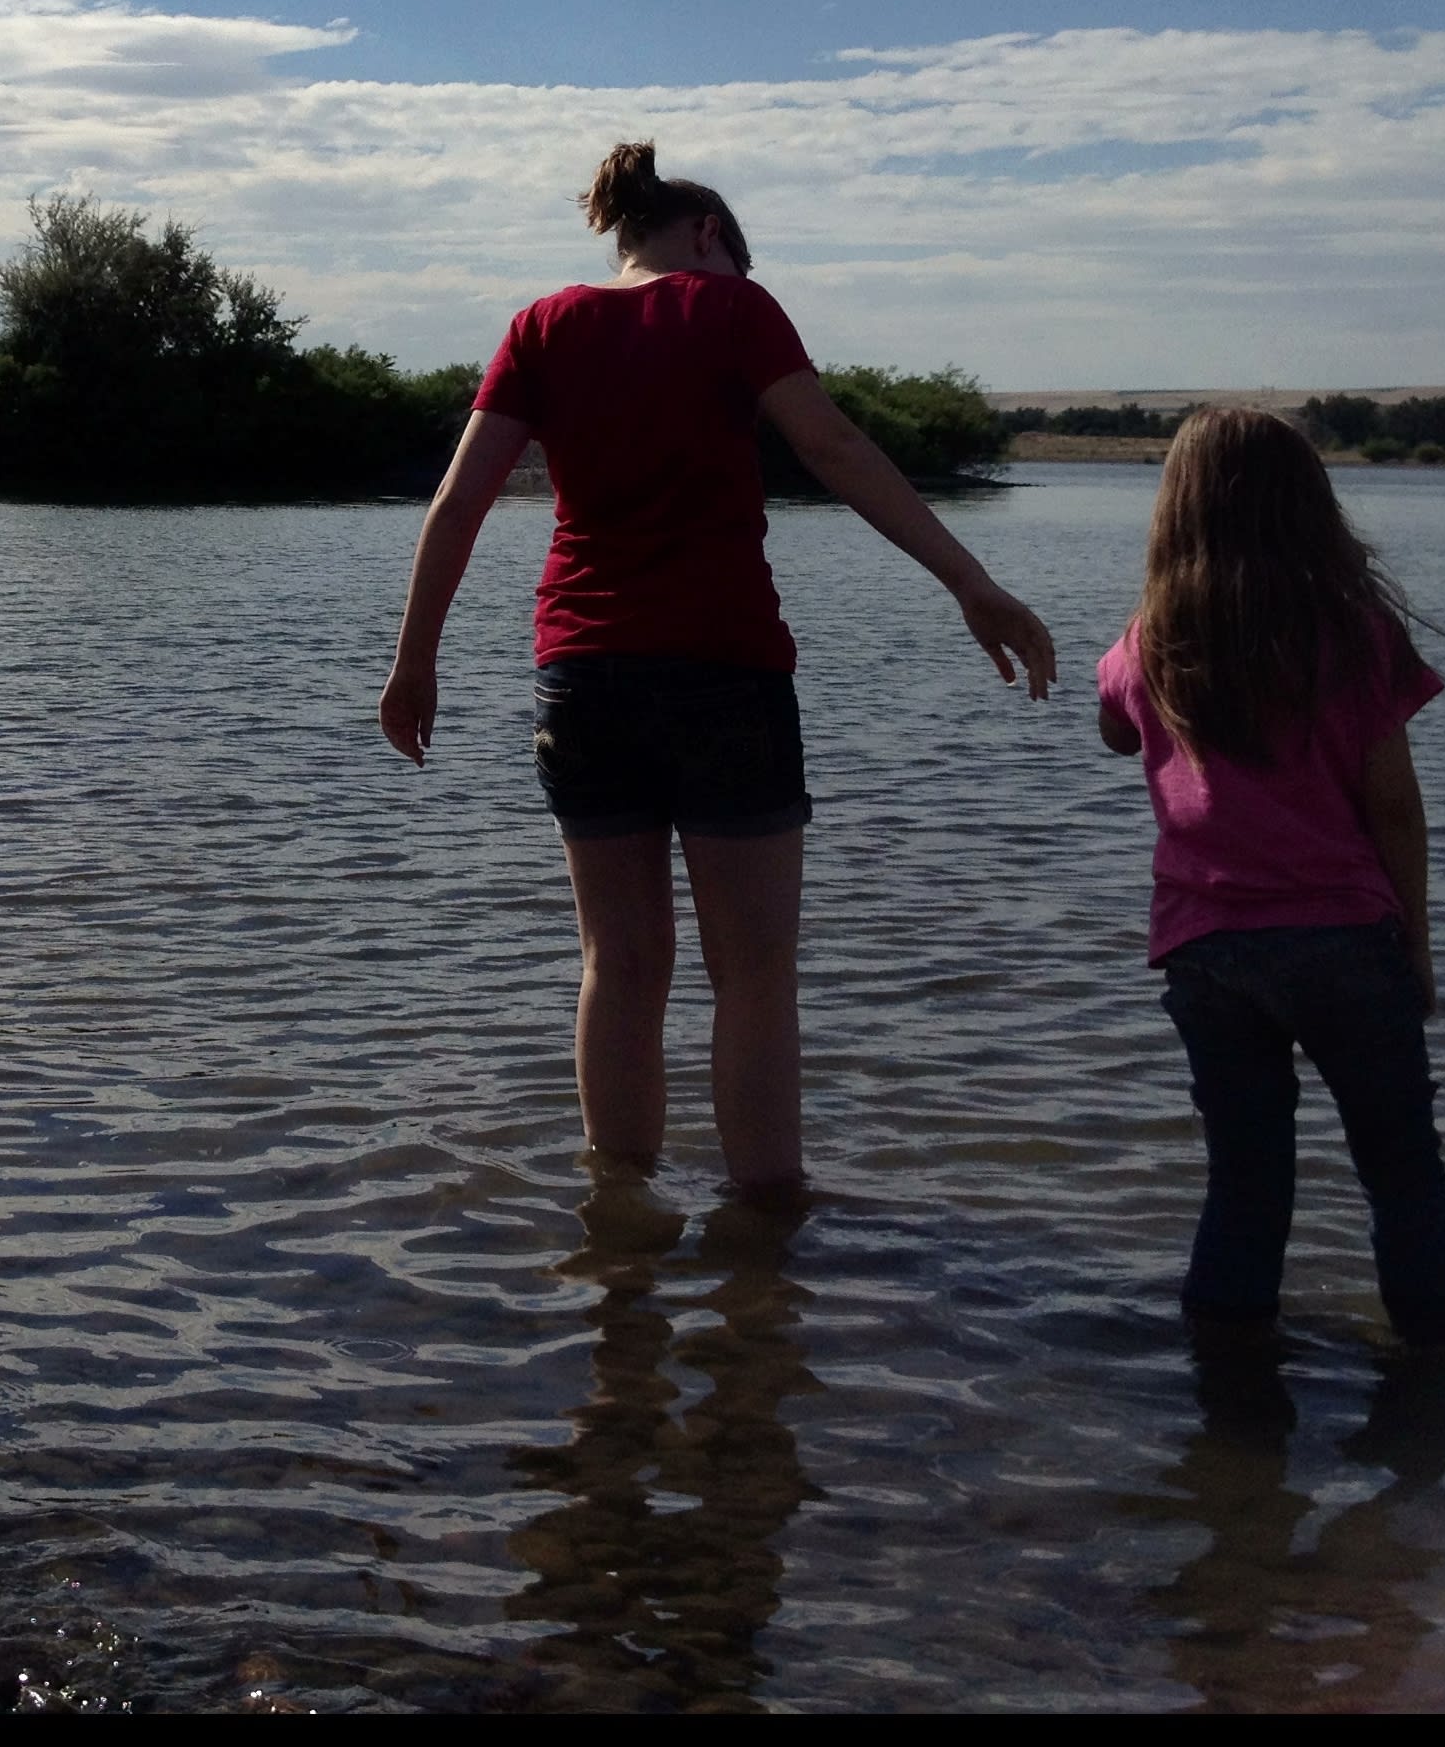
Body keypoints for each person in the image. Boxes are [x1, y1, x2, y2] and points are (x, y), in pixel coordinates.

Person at [378, 141, 1057, 1192]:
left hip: (583, 676)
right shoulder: (734, 310)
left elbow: (460, 500)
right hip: (723, 669)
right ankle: (768, 1236)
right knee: (753, 973)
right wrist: (970, 582)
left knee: (619, 962)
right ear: (706, 237)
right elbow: (834, 450)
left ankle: (620, 1224)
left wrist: (415, 660)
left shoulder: (541, 326)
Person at [1092, 407, 1445, 1348]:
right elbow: (1394, 805)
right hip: (1345, 938)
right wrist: (1415, 943)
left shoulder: (1151, 641)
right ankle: (1439, 1384)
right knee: (1401, 1170)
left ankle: (1227, 1389)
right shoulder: (1354, 634)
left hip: (1207, 948)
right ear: (1309, 505)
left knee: (1246, 1177)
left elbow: (1113, 728)